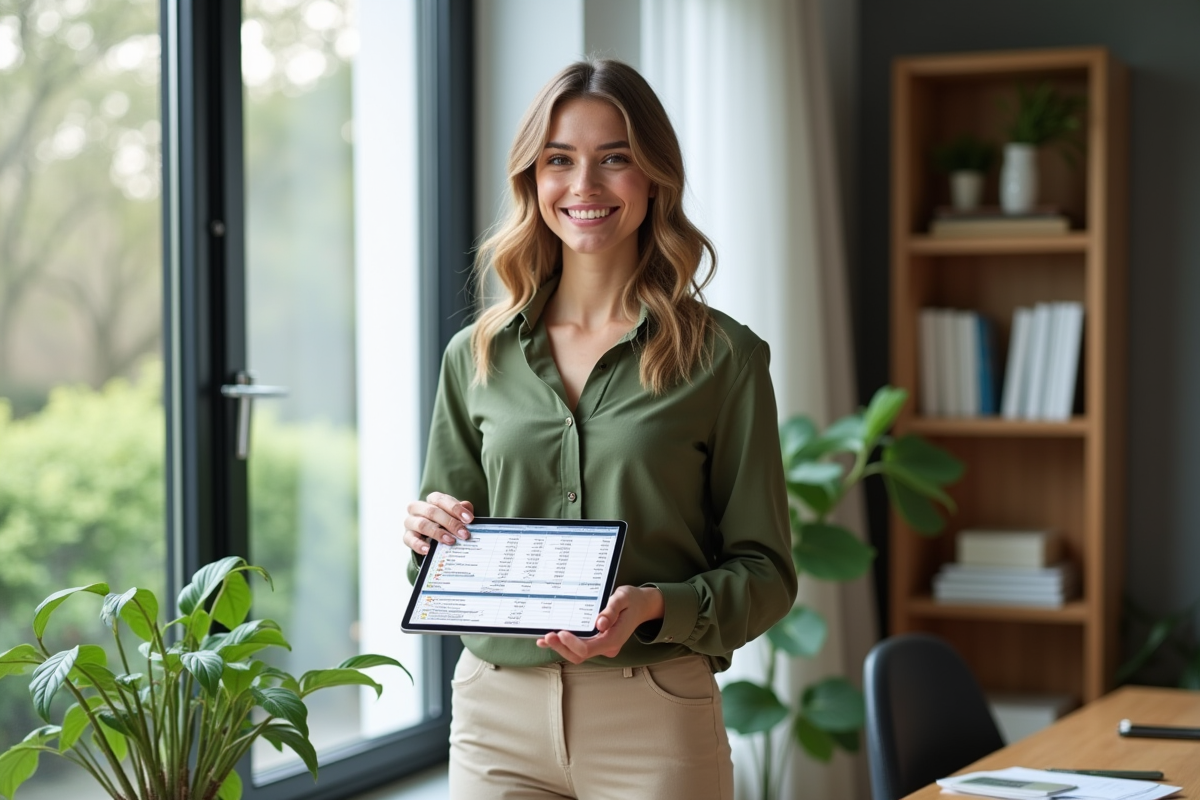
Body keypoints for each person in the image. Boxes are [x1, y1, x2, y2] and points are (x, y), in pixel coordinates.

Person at [402, 58, 797, 800]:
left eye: (614, 159)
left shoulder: (724, 360)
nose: (583, 186)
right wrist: (430, 536)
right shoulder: (475, 355)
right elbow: (438, 570)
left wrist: (653, 607)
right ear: (534, 181)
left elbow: (767, 576)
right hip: (496, 718)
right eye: (560, 161)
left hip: (653, 712)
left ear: (654, 179)